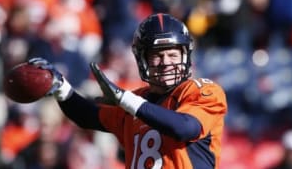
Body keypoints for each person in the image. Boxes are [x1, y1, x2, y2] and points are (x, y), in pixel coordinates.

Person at [28, 13, 228, 169]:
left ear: (185, 57)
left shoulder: (202, 90)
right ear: (143, 60)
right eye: (157, 56)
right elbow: (87, 116)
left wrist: (127, 101)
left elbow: (184, 128)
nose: (166, 63)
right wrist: (61, 87)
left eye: (173, 55)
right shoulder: (137, 100)